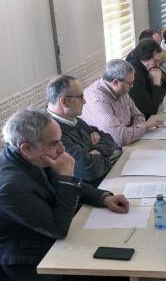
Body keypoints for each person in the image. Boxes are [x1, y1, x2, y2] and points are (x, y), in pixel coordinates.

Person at [0, 109, 129, 280]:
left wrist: (103, 197)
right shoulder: (10, 187)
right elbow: (58, 229)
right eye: (54, 143)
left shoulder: (32, 156)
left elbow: (72, 185)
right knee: (115, 270)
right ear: (27, 148)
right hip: (34, 260)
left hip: (58, 238)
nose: (62, 149)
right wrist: (66, 177)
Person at [46, 75, 121, 187]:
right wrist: (104, 155)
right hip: (90, 191)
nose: (85, 101)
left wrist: (95, 150)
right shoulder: (51, 133)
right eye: (80, 97)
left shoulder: (74, 120)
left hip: (106, 179)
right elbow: (88, 171)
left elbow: (109, 139)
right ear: (64, 102)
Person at [81, 59, 163, 147]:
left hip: (129, 143)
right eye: (130, 83)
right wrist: (143, 127)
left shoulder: (121, 90)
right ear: (115, 82)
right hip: (111, 150)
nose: (132, 86)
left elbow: (138, 115)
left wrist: (132, 130)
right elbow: (121, 139)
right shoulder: (97, 100)